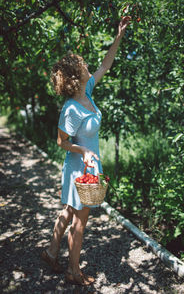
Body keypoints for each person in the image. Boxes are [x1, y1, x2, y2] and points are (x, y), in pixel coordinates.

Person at [41, 16, 131, 286]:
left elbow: (106, 63)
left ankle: (50, 252)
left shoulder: (87, 90)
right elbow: (61, 142)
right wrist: (83, 152)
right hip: (80, 165)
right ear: (74, 75)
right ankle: (73, 272)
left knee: (68, 211)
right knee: (79, 222)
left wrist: (119, 35)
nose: (87, 66)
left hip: (89, 162)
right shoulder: (71, 108)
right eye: (82, 65)